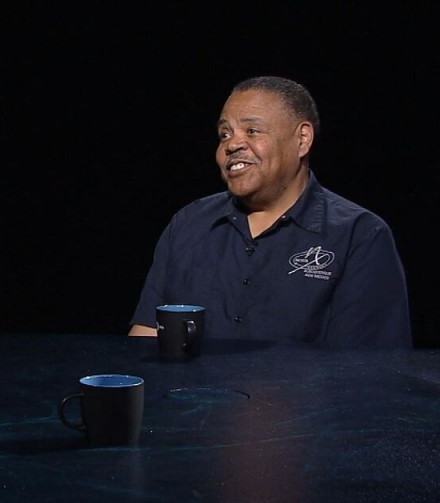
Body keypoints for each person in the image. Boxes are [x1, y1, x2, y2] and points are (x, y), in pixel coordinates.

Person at [129, 76, 412, 348]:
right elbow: (145, 337)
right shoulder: (188, 224)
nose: (232, 145)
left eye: (251, 131)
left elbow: (369, 372)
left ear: (302, 139)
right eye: (224, 134)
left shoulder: (359, 235)